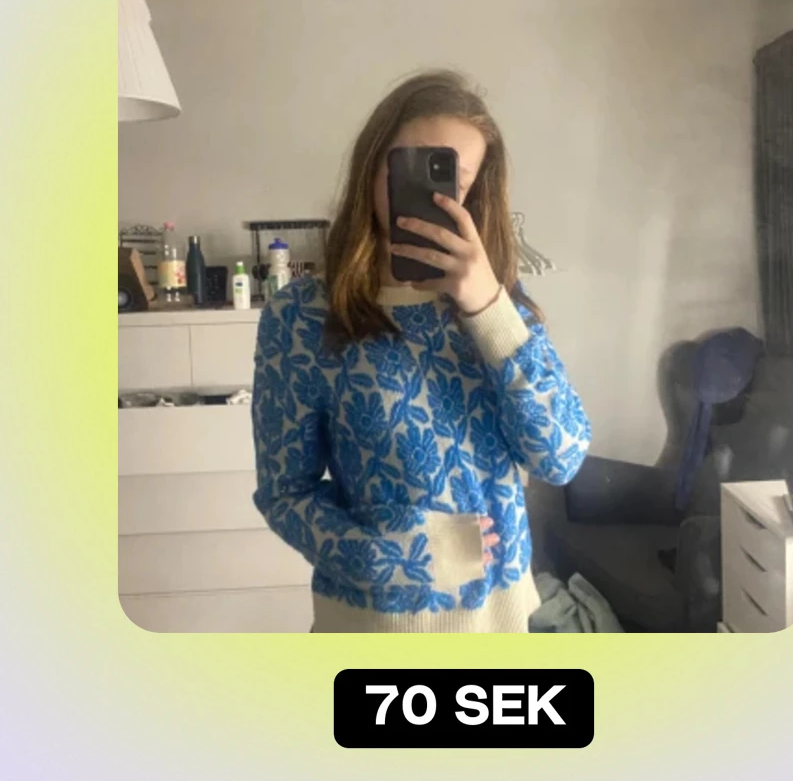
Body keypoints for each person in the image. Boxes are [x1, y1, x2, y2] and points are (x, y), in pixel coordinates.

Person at [251, 69, 591, 633]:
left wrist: (487, 307)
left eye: (451, 178)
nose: (430, 196)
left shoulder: (503, 306)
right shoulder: (301, 315)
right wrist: (393, 558)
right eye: (410, 166)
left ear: (473, 193)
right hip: (369, 630)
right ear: (371, 166)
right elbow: (285, 494)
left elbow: (561, 457)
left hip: (500, 629)